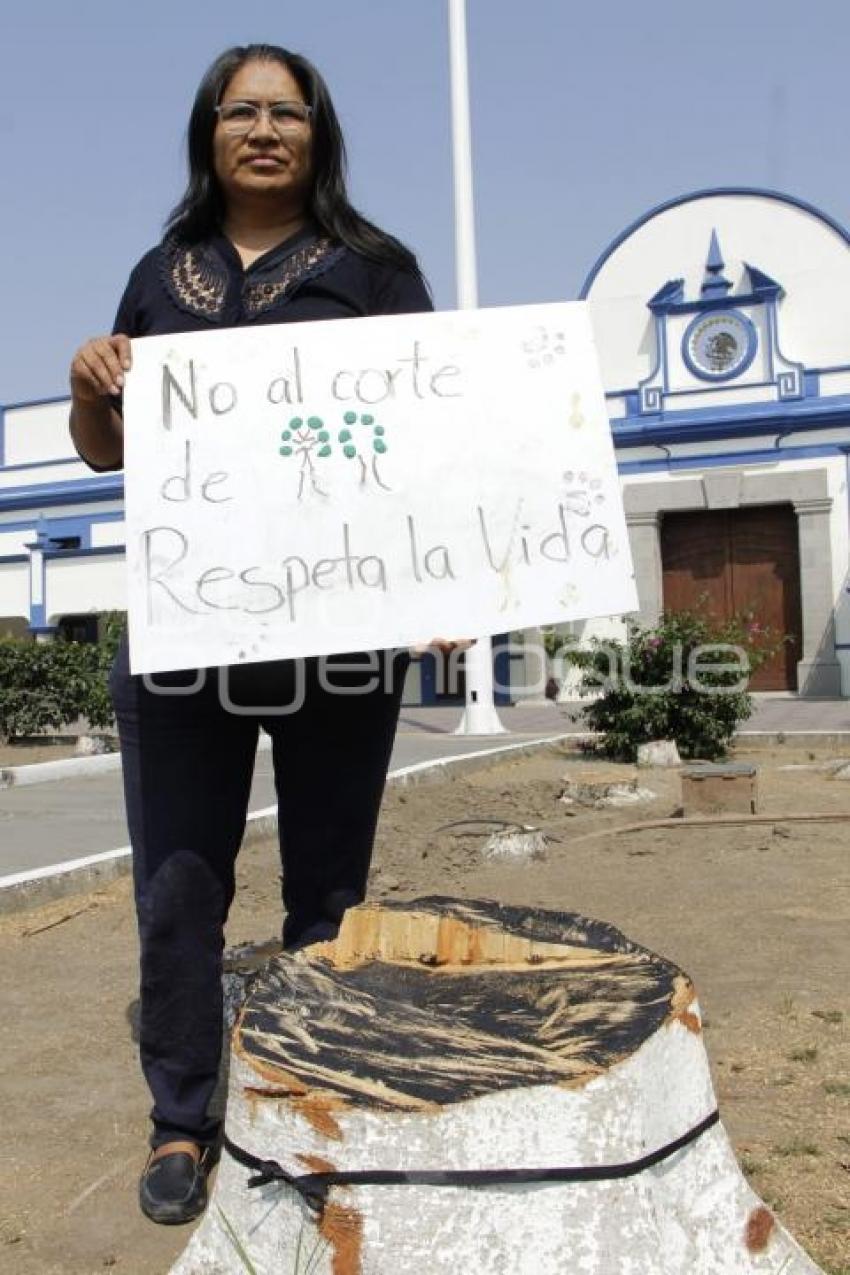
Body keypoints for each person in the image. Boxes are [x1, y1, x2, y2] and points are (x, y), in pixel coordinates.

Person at [69, 43, 463, 1227]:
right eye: (239, 110)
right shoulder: (158, 273)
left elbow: (430, 435)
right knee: (179, 893)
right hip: (187, 636)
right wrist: (92, 383)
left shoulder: (375, 268)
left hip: (338, 634)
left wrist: (445, 582)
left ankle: (311, 1108)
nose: (262, 129)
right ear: (208, 133)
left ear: (317, 134)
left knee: (326, 895)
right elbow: (110, 450)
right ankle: (182, 1120)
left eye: (286, 112)